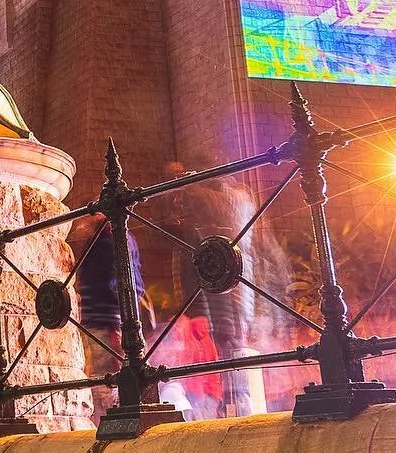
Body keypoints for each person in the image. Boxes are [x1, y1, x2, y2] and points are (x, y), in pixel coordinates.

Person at [156, 162, 256, 419]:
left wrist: (198, 320)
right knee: (231, 377)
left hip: (216, 314)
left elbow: (200, 281)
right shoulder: (229, 219)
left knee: (218, 378)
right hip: (231, 309)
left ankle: (227, 419)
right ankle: (235, 417)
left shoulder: (202, 232)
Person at [69, 212, 152, 426]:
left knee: (104, 384)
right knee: (111, 381)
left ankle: (110, 427)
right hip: (112, 322)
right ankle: (116, 424)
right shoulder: (120, 237)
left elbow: (116, 282)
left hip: (103, 321)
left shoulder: (106, 239)